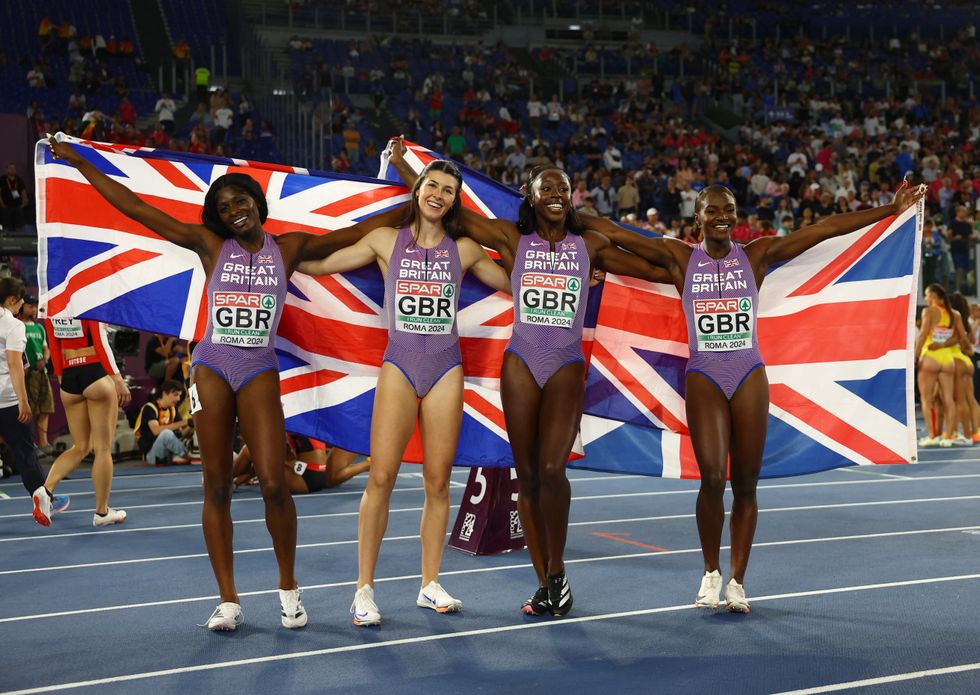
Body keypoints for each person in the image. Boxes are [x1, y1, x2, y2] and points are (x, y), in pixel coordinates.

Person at [48, 135, 398, 631]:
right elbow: (136, 208)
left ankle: (288, 589)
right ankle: (228, 600)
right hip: (212, 365)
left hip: (258, 368)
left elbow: (359, 228)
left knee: (275, 483)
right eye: (223, 205)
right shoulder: (210, 243)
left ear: (257, 203)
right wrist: (81, 161)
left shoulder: (290, 246)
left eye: (240, 200)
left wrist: (419, 201)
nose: (234, 209)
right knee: (215, 485)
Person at [582, 180, 924, 612]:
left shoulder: (756, 255)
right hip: (705, 373)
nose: (723, 217)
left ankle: (737, 582)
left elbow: (822, 230)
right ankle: (710, 573)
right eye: (712, 210)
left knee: (746, 484)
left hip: (748, 374)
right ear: (698, 218)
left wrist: (887, 210)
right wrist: (555, 216)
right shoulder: (680, 257)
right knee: (711, 478)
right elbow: (617, 233)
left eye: (729, 210)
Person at [387, 139, 669, 618]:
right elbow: (451, 213)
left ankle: (556, 570)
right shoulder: (512, 239)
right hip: (520, 361)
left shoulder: (591, 243)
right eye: (547, 188)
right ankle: (545, 583)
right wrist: (402, 163)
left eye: (564, 188)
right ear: (531, 196)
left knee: (553, 470)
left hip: (564, 363)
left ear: (572, 196)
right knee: (529, 476)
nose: (557, 194)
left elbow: (652, 263)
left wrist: (710, 265)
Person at [297, 157, 511, 626]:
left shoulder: (467, 249)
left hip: (446, 369)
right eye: (431, 185)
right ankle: (363, 589)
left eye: (448, 190)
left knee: (438, 483)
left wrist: (576, 278)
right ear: (416, 191)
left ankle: (430, 582)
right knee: (381, 478)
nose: (438, 194)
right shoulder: (384, 240)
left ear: (456, 201)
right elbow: (323, 265)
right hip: (399, 365)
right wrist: (271, 257)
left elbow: (518, 282)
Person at [39, 314, 129, 526]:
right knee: (103, 449)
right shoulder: (87, 297)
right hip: (94, 370)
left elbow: (54, 343)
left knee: (80, 447)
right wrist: (117, 378)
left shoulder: (54, 305)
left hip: (69, 376)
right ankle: (102, 512)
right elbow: (100, 340)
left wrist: (63, 380)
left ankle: (45, 490)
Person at [0, 279, 69, 518]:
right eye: (21, 301)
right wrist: (23, 400)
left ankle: (46, 497)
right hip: (7, 399)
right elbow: (14, 364)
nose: (21, 306)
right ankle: (43, 497)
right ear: (11, 300)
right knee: (24, 451)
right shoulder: (14, 325)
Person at [233, 434, 369, 493]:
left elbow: (282, 456)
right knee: (262, 458)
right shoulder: (303, 420)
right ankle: (232, 482)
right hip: (315, 474)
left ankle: (224, 479)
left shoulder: (288, 422)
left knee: (249, 451)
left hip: (304, 478)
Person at [916, 283, 960, 448]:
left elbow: (922, 336)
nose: (926, 298)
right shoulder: (954, 314)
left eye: (927, 295)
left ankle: (932, 435)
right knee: (948, 399)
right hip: (947, 359)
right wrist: (942, 346)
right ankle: (948, 436)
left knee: (926, 400)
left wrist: (914, 356)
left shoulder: (929, 311)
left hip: (930, 358)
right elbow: (958, 339)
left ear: (934, 296)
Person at [18, 297, 55, 450]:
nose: (34, 310)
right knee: (28, 411)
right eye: (30, 306)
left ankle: (43, 443)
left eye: (36, 307)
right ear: (22, 306)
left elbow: (46, 348)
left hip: (42, 373)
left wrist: (45, 360)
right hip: (26, 375)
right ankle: (29, 444)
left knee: (45, 408)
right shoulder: (18, 327)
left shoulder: (40, 328)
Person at [134, 379, 192, 465]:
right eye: (175, 395)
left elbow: (181, 434)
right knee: (166, 434)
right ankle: (189, 455)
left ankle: (185, 455)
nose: (178, 399)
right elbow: (156, 430)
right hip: (152, 454)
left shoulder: (173, 409)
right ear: (165, 393)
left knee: (172, 435)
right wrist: (184, 422)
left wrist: (191, 425)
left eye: (179, 395)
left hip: (168, 452)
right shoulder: (150, 408)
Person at [1, 163, 30, 234]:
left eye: (14, 168)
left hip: (18, 206)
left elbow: (23, 192)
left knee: (20, 226)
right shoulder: (2, 179)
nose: (12, 170)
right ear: (7, 170)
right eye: (10, 168)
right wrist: (2, 204)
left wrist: (23, 203)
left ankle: (20, 240)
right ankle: (4, 240)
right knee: (5, 226)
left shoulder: (19, 180)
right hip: (6, 206)